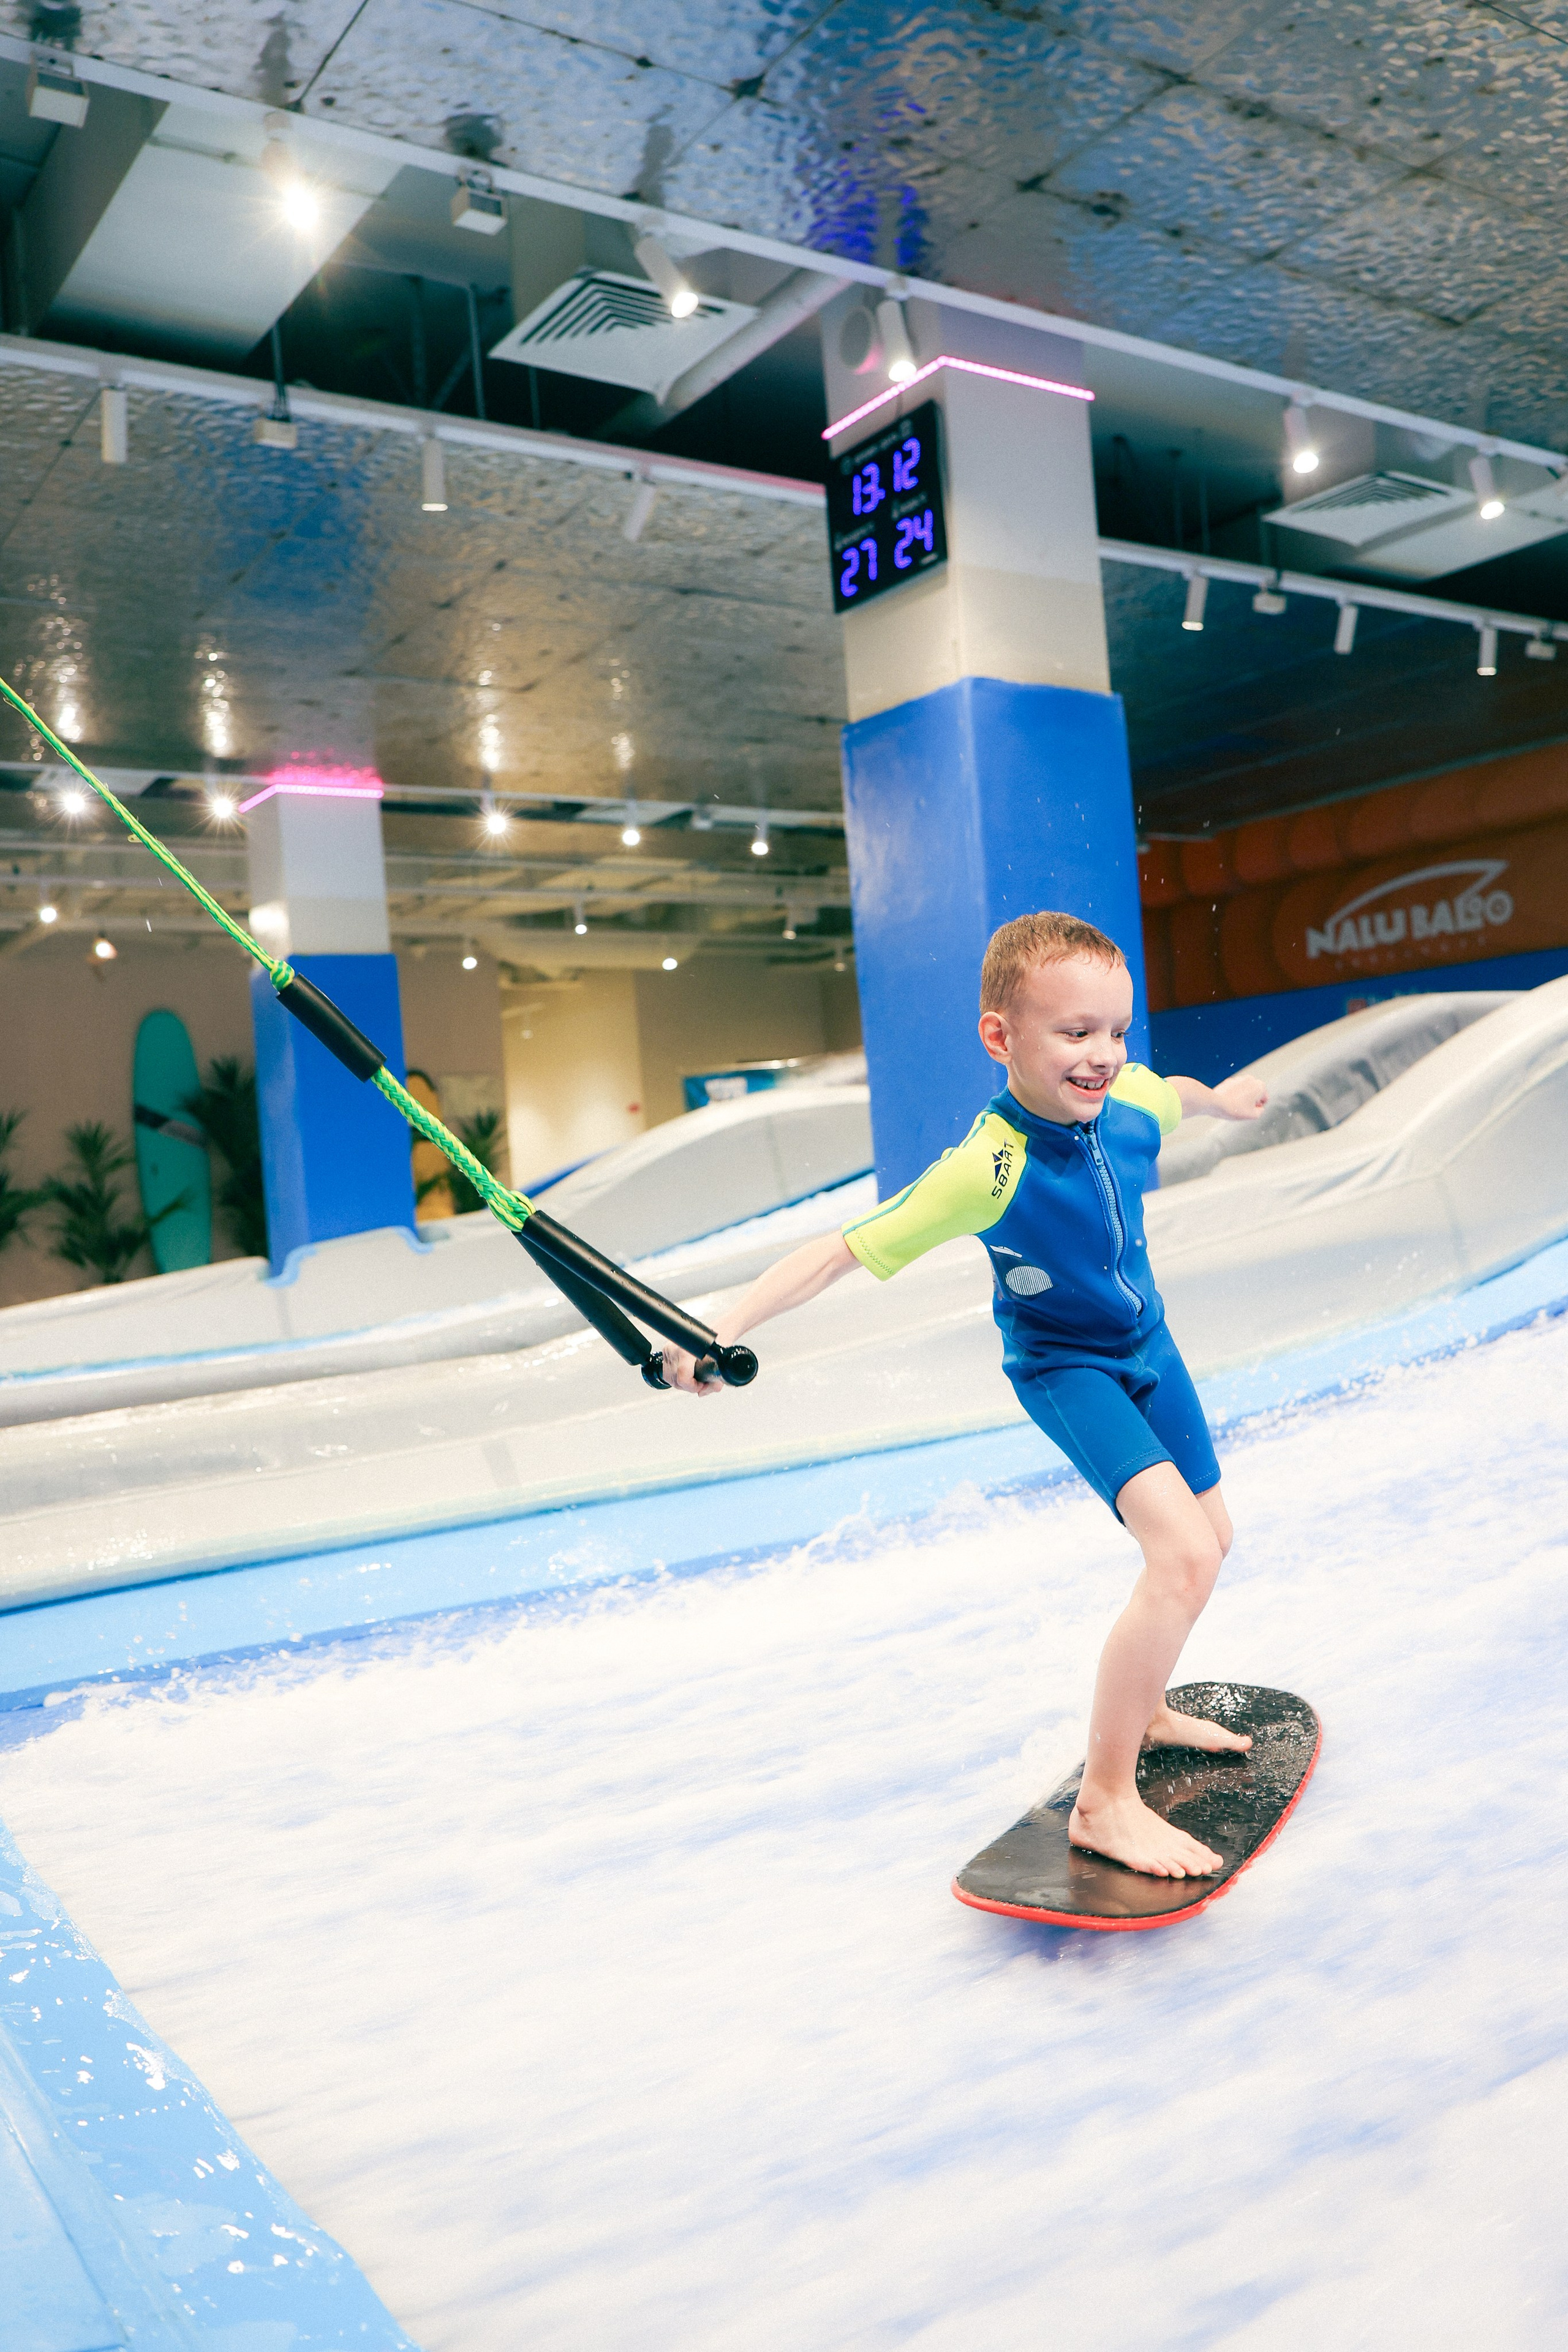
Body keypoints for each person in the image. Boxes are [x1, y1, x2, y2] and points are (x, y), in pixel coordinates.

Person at [662, 910, 1270, 1881]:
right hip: (1067, 1366)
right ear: (1002, 1037)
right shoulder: (988, 1167)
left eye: (1116, 1030)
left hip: (1150, 1344)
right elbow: (840, 1251)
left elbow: (1174, 1091)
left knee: (1213, 1539)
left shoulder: (1130, 1102)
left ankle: (1144, 1707)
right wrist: (723, 1330)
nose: (1104, 1056)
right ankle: (1108, 1804)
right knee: (1184, 1555)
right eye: (1075, 1033)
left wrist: (1226, 1100)